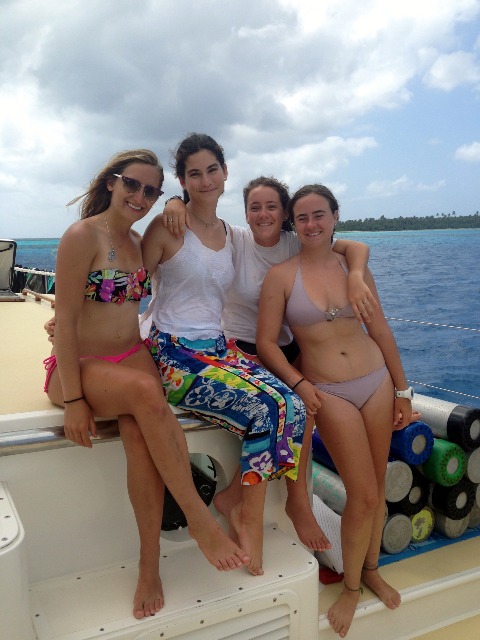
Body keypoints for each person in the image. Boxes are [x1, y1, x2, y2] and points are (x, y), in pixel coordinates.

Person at [43, 149, 249, 620]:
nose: (139, 196)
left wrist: (176, 201)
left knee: (140, 433)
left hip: (128, 355)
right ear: (111, 183)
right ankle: (200, 520)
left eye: (150, 190)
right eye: (131, 184)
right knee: (143, 394)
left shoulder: (139, 241)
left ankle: (149, 564)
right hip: (79, 365)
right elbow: (67, 321)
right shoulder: (82, 236)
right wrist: (74, 400)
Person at [162, 175, 377, 550]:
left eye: (272, 207)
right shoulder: (235, 239)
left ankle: (287, 499)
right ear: (246, 214)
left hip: (285, 346)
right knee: (296, 406)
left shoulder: (296, 241)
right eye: (255, 208)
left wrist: (356, 274)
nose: (263, 215)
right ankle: (293, 503)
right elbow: (198, 221)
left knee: (311, 404)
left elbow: (354, 246)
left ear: (285, 213)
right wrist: (175, 202)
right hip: (241, 344)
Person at [141, 133, 311, 577]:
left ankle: (235, 498)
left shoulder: (231, 235)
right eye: (194, 174)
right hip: (174, 354)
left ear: (225, 172)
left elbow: (279, 241)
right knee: (263, 408)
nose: (205, 180)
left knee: (294, 406)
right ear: (182, 181)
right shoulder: (167, 227)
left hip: (217, 348)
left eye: (212, 170)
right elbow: (128, 286)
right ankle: (248, 518)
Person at [256, 184, 412, 638]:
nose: (311, 224)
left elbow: (379, 330)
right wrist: (299, 383)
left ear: (335, 216)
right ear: (294, 223)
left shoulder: (352, 268)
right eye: (302, 217)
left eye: (319, 214)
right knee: (363, 493)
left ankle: (371, 569)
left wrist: (403, 391)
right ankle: (350, 586)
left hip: (376, 380)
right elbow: (266, 343)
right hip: (329, 391)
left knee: (377, 486)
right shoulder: (281, 276)